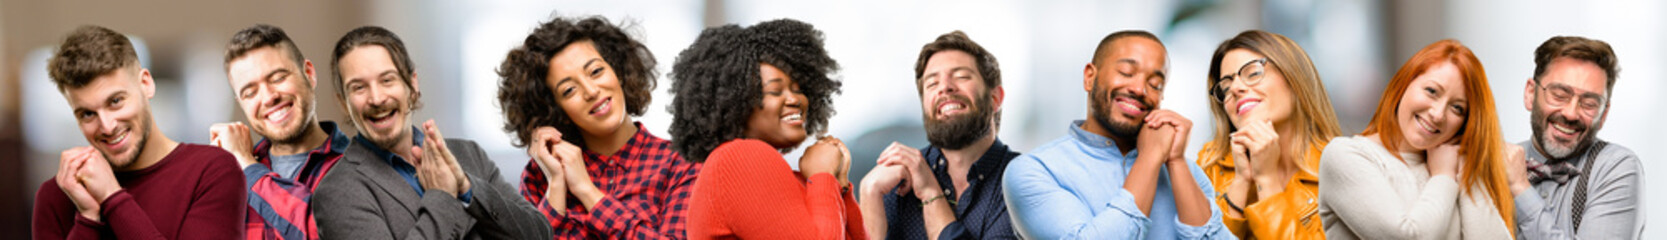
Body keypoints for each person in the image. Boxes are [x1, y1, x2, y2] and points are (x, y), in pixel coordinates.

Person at [311, 26, 551, 239]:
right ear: (344, 103)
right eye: (359, 87)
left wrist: (467, 188)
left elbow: (539, 233)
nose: (376, 98)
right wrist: (442, 195)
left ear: (412, 84)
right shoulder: (337, 192)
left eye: (387, 80)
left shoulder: (469, 154)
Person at [1002, 30, 1232, 239]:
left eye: (1155, 84)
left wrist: (1176, 161)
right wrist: (1149, 159)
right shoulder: (1033, 171)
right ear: (1089, 77)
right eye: (1126, 72)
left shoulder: (1187, 173)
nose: (1140, 89)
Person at [32, 25, 246, 239]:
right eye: (87, 114)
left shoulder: (212, 172)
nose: (107, 126)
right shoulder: (58, 196)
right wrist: (88, 218)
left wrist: (111, 197)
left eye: (115, 101)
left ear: (146, 84)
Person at [496, 16, 701, 239]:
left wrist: (587, 192)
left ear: (619, 72)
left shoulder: (681, 164)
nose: (591, 91)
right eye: (569, 90)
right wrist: (556, 185)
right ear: (556, 110)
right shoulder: (540, 176)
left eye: (595, 72)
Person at [673, 19, 865, 239]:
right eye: (775, 91)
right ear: (737, 101)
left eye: (799, 89)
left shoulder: (782, 176)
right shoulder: (740, 158)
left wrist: (838, 185)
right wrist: (822, 175)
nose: (795, 99)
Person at [1317, 39, 1518, 239]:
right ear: (1404, 84)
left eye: (1457, 108)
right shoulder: (1345, 156)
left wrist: (1465, 168)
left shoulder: (1454, 166)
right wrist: (1444, 176)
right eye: (1432, 91)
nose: (1438, 114)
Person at [858, 30, 1020, 240]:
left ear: (995, 98)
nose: (945, 87)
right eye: (932, 84)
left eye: (961, 76)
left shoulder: (1025, 179)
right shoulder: (894, 182)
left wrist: (929, 192)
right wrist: (869, 193)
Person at [1197, 30, 1341, 239]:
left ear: (1295, 79)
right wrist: (1241, 183)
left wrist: (1266, 179)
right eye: (1225, 87)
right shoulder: (1211, 165)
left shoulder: (1341, 168)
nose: (1236, 88)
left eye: (1253, 73)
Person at [213, 24, 351, 240]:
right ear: (241, 104)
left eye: (278, 78)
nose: (268, 97)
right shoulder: (230, 183)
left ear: (309, 74)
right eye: (250, 92)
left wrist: (248, 168)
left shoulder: (361, 166)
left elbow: (325, 231)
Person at [1509, 36, 1643, 239]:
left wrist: (1520, 189)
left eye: (1589, 103)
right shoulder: (1493, 165)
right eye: (1560, 95)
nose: (1571, 113)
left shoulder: (1617, 168)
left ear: (1603, 115)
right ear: (1530, 93)